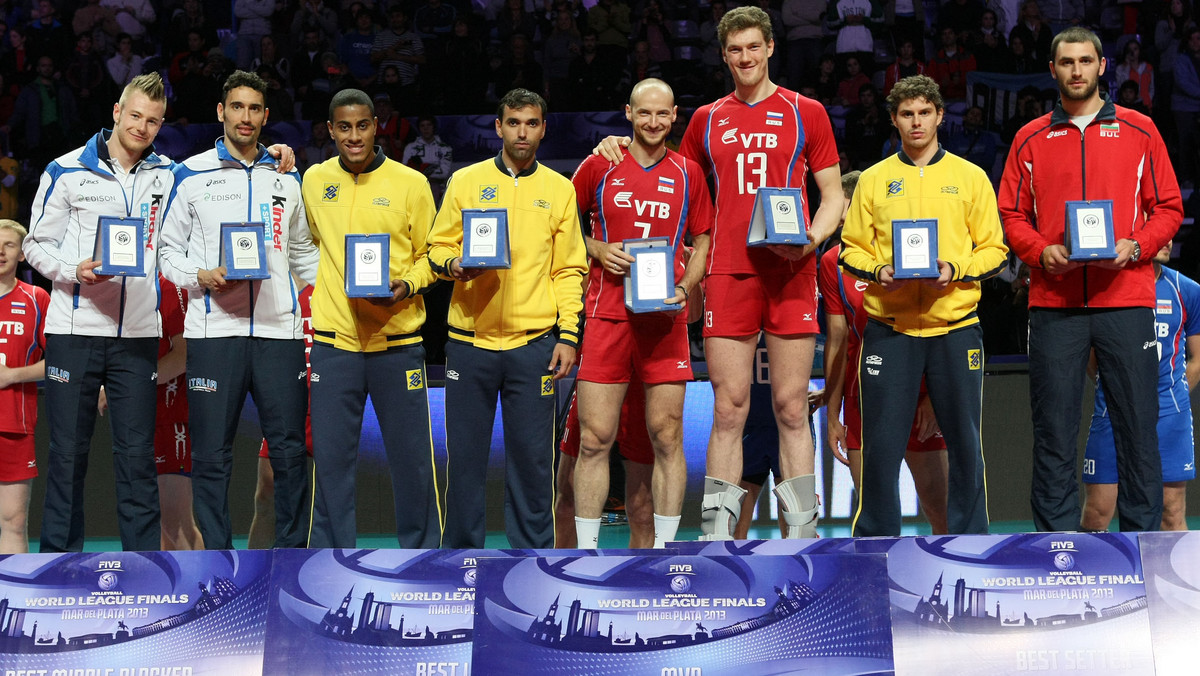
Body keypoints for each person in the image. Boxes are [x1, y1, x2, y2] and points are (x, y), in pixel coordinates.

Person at [595, 6, 844, 540]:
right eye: (735, 50)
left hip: (791, 273)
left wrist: (810, 243)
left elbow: (833, 196)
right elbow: (673, 176)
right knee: (729, 409)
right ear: (724, 55)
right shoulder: (707, 119)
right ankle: (716, 540)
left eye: (754, 47)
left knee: (791, 406)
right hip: (729, 273)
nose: (745, 58)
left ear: (771, 47)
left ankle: (800, 538)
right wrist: (613, 145)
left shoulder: (807, 112)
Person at [999, 27, 1183, 533]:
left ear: (1103, 67)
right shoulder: (1030, 137)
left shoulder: (1141, 130)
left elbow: (1168, 207)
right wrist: (1040, 251)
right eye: (1066, 62)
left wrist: (1138, 245)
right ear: (1053, 69)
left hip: (1126, 298)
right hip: (1055, 302)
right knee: (1054, 429)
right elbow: (1011, 214)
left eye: (1085, 61)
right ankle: (1057, 543)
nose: (1076, 70)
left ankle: (1145, 542)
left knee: (1137, 427)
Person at [840, 75, 1008, 536]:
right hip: (890, 329)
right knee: (880, 447)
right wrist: (878, 272)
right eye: (907, 114)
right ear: (894, 120)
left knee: (966, 446)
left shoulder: (970, 177)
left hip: (955, 326)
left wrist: (955, 268)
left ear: (939, 116)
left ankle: (970, 542)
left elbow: (995, 250)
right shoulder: (874, 180)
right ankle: (875, 543)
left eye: (924, 113)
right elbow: (849, 250)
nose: (916, 122)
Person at [158, 70, 317, 550]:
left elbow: (303, 252)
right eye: (237, 107)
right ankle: (219, 564)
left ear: (265, 116)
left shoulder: (286, 176)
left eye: (254, 109)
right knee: (211, 456)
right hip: (214, 333)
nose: (245, 117)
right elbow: (166, 251)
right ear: (221, 112)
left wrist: (332, 296)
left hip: (280, 335)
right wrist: (198, 276)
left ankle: (289, 559)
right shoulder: (189, 174)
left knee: (289, 454)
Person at [429, 88, 587, 549]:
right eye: (513, 122)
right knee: (465, 460)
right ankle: (460, 561)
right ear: (498, 127)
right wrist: (455, 265)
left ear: (543, 128)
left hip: (535, 344)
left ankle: (531, 562)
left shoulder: (559, 189)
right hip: (469, 343)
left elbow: (569, 270)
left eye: (531, 123)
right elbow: (437, 248)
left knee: (534, 463)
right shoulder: (465, 181)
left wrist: (568, 335)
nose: (522, 131)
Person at [22, 73, 172, 552]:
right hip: (73, 330)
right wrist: (74, 270)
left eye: (153, 121)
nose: (142, 128)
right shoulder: (64, 170)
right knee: (67, 455)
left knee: (137, 459)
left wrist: (277, 158)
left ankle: (145, 569)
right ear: (115, 112)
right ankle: (59, 568)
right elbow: (34, 245)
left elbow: (220, 175)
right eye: (135, 116)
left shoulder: (170, 175)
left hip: (138, 336)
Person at [569, 79, 713, 549]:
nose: (653, 123)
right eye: (644, 113)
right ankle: (587, 553)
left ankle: (668, 552)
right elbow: (563, 225)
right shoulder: (599, 165)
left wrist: (687, 286)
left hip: (663, 320)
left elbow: (704, 238)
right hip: (606, 315)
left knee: (667, 434)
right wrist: (595, 246)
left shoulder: (690, 173)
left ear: (675, 116)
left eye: (663, 115)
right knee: (595, 438)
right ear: (628, 112)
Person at [302, 88, 441, 549]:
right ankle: (328, 564)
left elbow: (432, 255)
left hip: (397, 344)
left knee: (413, 462)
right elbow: (311, 244)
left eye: (362, 125)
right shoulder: (313, 180)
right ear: (331, 130)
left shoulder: (410, 184)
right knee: (331, 465)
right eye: (344, 127)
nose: (354, 136)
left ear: (376, 126)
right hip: (334, 346)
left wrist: (405, 285)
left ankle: (422, 562)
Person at [821, 170, 949, 535]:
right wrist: (833, 415)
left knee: (940, 512)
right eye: (840, 221)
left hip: (921, 393)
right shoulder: (833, 262)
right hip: (864, 400)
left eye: (850, 218)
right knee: (874, 518)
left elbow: (939, 326)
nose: (846, 229)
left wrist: (934, 399)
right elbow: (838, 340)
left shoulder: (910, 249)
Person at [1082, 241, 1200, 532]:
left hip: (1169, 413)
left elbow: (1197, 358)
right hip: (1113, 411)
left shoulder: (1187, 290)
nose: (1168, 240)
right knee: (1097, 513)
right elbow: (1090, 352)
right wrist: (1117, 390)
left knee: (1171, 512)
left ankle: (1169, 579)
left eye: (1170, 233)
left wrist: (1173, 395)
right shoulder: (1105, 286)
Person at [555, 383, 655, 548]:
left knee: (643, 510)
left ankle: (642, 570)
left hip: (638, 384)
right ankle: (561, 567)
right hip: (594, 380)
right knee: (568, 498)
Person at [0, 220, 48, 554]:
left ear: (22, 255)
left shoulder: (36, 298)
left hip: (13, 426)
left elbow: (58, 363)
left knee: (14, 521)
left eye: (9, 245)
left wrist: (11, 376)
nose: (0, 252)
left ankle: (7, 602)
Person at [401, 115, 452, 203]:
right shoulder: (410, 148)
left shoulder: (445, 148)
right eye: (422, 126)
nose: (426, 128)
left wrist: (420, 170)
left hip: (439, 191)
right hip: (415, 189)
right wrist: (431, 169)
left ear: (434, 127)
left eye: (429, 125)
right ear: (419, 128)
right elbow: (405, 171)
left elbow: (444, 173)